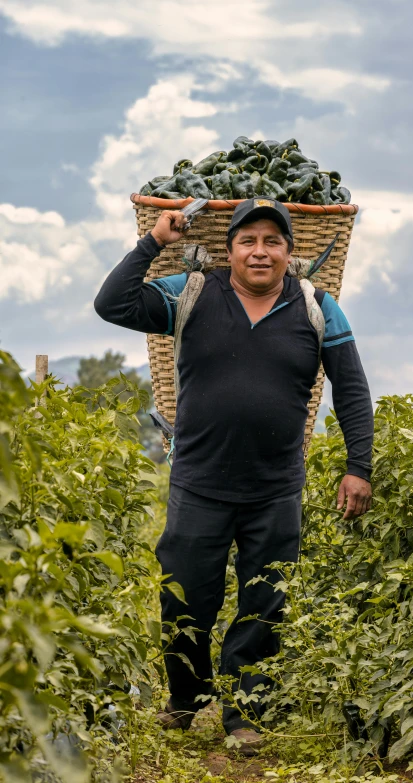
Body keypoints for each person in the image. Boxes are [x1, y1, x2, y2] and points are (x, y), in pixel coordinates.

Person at [94, 197, 373, 755]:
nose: (260, 251)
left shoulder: (318, 307)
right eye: (248, 240)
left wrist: (357, 466)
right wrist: (156, 242)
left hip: (275, 488)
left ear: (291, 253)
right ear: (231, 249)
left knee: (265, 602)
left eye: (273, 241)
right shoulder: (193, 293)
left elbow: (352, 389)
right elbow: (112, 303)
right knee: (185, 598)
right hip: (199, 481)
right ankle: (186, 697)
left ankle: (245, 713)